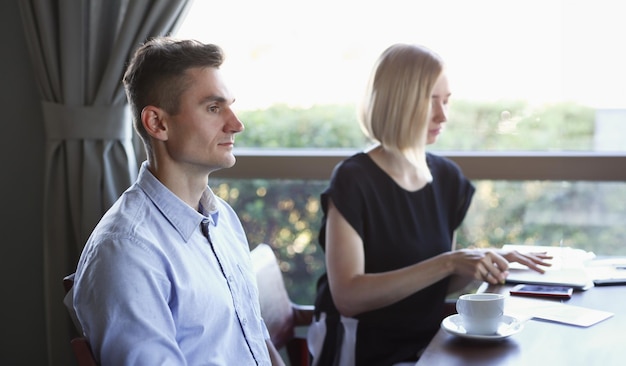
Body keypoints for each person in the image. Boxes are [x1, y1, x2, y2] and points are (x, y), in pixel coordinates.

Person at [307, 43, 552, 366]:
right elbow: (349, 297)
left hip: (429, 346)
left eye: (447, 101)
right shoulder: (354, 179)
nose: (443, 115)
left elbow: (439, 281)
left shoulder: (447, 178)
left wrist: (479, 264)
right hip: (364, 351)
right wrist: (449, 261)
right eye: (431, 101)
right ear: (398, 103)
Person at [72, 37, 284, 366]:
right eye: (214, 108)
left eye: (230, 105)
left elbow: (253, 338)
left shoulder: (222, 219)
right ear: (157, 123)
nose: (236, 124)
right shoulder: (126, 251)